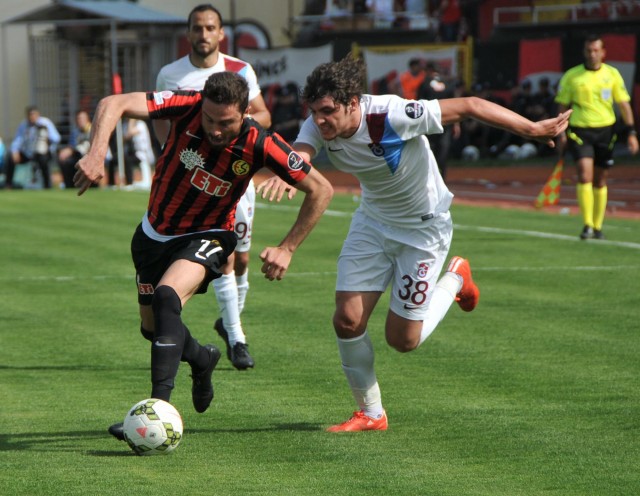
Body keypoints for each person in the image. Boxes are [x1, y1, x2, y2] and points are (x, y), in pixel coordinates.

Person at [258, 55, 570, 432]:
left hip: (423, 230)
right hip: (372, 223)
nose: (319, 120)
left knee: (403, 340)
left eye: (327, 112)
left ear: (353, 103)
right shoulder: (318, 123)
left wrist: (532, 128)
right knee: (347, 319)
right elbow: (303, 152)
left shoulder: (391, 115)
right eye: (314, 112)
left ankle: (456, 277)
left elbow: (470, 106)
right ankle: (371, 414)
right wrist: (291, 173)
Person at [73, 71, 333, 441]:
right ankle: (201, 358)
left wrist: (287, 247)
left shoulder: (260, 142)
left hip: (210, 234)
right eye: (209, 119)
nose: (214, 129)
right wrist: (97, 152)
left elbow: (321, 189)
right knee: (152, 329)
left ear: (244, 113)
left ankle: (154, 414)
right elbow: (113, 103)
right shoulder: (187, 105)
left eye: (225, 122)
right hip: (152, 236)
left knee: (167, 298)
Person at [155, 4, 273, 370]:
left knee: (242, 257)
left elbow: (264, 115)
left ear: (221, 33)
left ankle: (229, 322)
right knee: (223, 255)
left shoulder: (240, 69)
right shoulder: (170, 74)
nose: (203, 34)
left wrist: (239, 128)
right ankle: (237, 338)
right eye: (197, 27)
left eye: (210, 28)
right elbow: (160, 118)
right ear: (188, 32)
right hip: (193, 179)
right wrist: (171, 155)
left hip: (235, 175)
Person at [555, 34, 639, 240]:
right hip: (580, 131)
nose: (592, 54)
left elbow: (624, 104)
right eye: (589, 50)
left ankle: (598, 225)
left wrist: (631, 133)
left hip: (606, 132)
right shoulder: (572, 76)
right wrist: (560, 133)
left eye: (596, 50)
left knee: (601, 179)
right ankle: (587, 225)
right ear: (584, 52)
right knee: (585, 174)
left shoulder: (612, 74)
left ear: (603, 52)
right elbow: (562, 106)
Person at [5, 106, 61, 189]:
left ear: (38, 115)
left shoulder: (45, 123)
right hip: (28, 153)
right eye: (30, 115)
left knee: (43, 160)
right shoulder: (23, 125)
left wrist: (46, 136)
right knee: (10, 157)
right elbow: (17, 140)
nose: (32, 117)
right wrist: (14, 151)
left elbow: (56, 138)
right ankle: (8, 185)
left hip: (42, 153)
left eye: (34, 114)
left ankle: (47, 186)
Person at [57, 110, 92, 189]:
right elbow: (72, 146)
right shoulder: (75, 132)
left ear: (87, 119)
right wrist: (65, 152)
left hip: (91, 156)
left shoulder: (93, 130)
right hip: (77, 155)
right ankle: (69, 186)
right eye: (78, 119)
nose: (80, 121)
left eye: (82, 118)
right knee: (65, 161)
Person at [123, 118, 155, 191]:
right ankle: (130, 182)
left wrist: (131, 121)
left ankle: (145, 181)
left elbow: (130, 133)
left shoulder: (141, 124)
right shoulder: (132, 125)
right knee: (127, 159)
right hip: (138, 152)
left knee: (136, 161)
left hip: (145, 152)